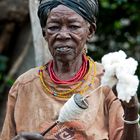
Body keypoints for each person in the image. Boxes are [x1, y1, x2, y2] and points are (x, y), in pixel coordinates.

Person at [1, 0, 140, 140]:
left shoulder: (108, 81)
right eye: (54, 27)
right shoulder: (24, 85)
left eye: (73, 26)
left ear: (90, 31)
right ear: (44, 33)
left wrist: (131, 111)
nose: (62, 35)